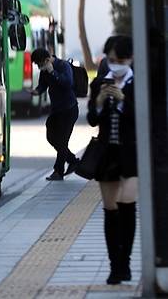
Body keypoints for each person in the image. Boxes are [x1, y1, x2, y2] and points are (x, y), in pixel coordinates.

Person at [87, 36, 136, 285]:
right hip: (107, 154)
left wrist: (123, 101)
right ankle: (114, 265)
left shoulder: (137, 84)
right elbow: (92, 120)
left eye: (121, 60)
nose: (116, 65)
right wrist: (98, 103)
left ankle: (125, 262)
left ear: (131, 59)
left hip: (131, 155)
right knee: (111, 210)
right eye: (112, 60)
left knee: (127, 204)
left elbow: (143, 117)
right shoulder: (100, 84)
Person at [30, 48, 80, 181]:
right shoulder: (44, 71)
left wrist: (53, 72)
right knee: (51, 137)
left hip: (69, 109)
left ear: (47, 60)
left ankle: (58, 171)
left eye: (39, 64)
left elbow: (68, 83)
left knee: (62, 141)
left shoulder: (63, 65)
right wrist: (36, 91)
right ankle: (73, 161)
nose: (39, 67)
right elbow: (42, 86)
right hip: (56, 110)